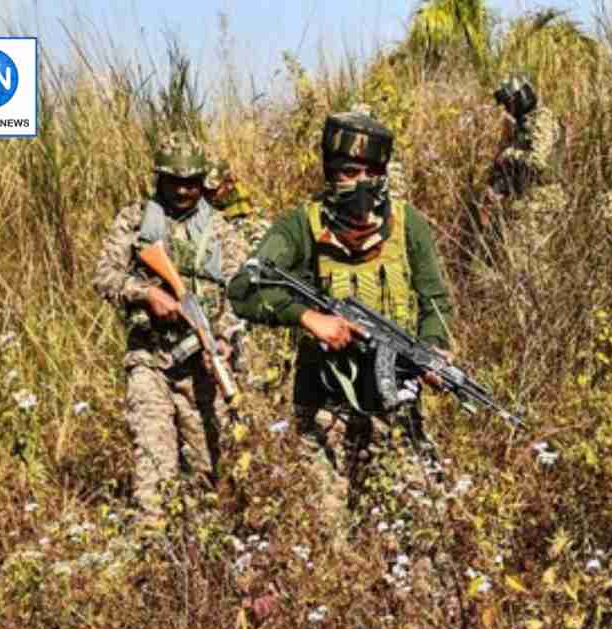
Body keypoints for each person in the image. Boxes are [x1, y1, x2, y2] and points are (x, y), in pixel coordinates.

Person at [226, 112, 454, 527]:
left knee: (422, 523)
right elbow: (244, 288)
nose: (362, 182)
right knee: (327, 528)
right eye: (350, 172)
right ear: (330, 172)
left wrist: (433, 350)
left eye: (372, 171)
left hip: (394, 400)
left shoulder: (407, 225)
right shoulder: (301, 225)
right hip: (325, 401)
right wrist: (308, 317)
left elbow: (435, 299)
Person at [93, 131, 250, 530]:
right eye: (174, 182)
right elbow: (105, 277)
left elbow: (239, 296)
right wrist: (145, 294)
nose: (183, 190)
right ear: (159, 178)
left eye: (192, 182)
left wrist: (227, 342)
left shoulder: (221, 232)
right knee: (154, 464)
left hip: (201, 365)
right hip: (149, 359)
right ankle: (153, 553)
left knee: (209, 471)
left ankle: (205, 561)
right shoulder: (134, 220)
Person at [481, 73, 567, 273]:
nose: (507, 110)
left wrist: (510, 154)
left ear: (519, 98)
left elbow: (538, 162)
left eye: (508, 104)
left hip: (541, 202)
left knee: (533, 267)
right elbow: (513, 166)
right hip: (524, 202)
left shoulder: (542, 119)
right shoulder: (523, 124)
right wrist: (496, 187)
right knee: (517, 264)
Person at [203, 158, 271, 248]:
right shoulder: (211, 199)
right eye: (206, 190)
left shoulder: (243, 209)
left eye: (215, 189)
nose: (209, 194)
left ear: (229, 184)